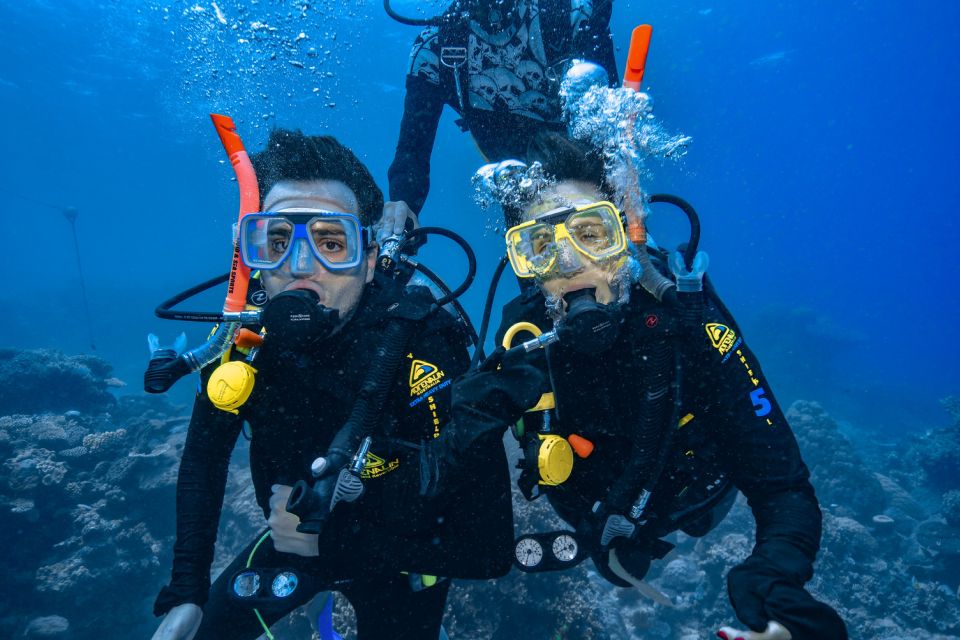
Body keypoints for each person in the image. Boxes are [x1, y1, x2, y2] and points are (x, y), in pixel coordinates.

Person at [150, 129, 528, 640]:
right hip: (290, 546)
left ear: (369, 261)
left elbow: (488, 551)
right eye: (277, 241)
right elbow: (203, 461)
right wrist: (187, 590)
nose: (300, 266)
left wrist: (333, 543)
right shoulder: (246, 345)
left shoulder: (424, 346)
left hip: (407, 560)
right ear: (249, 255)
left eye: (331, 242)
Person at [489, 132, 848, 639]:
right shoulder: (522, 339)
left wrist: (775, 589)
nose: (568, 262)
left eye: (590, 233)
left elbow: (783, 488)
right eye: (542, 245)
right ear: (525, 263)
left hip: (691, 500)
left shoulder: (692, 327)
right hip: (592, 516)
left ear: (626, 239)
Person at [381, 0, 618, 241]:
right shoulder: (438, 50)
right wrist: (402, 211)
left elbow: (609, 125)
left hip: (592, 186)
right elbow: (413, 149)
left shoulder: (569, 14)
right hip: (518, 192)